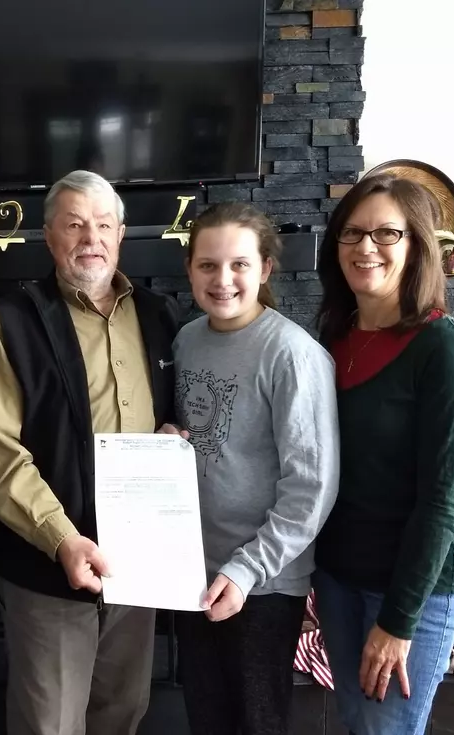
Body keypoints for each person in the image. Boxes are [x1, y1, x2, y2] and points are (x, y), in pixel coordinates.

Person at [0, 169, 181, 735]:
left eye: (103, 224)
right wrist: (62, 539)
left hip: (140, 567)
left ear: (121, 234)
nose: (91, 237)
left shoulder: (162, 316)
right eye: (74, 225)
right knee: (50, 723)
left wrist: (173, 442)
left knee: (123, 712)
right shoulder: (12, 321)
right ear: (49, 237)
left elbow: (179, 418)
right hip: (48, 566)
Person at [312, 173, 454, 735]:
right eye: (352, 233)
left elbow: (443, 500)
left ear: (417, 246)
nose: (365, 247)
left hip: (413, 587)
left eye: (387, 233)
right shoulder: (331, 335)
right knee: (358, 722)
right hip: (337, 575)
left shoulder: (443, 346)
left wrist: (398, 621)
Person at [171, 202, 340, 735]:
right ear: (190, 269)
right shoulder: (186, 340)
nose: (223, 280)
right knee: (206, 718)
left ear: (265, 269)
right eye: (208, 265)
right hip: (193, 573)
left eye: (239, 264)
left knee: (257, 723)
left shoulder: (292, 355)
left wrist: (246, 571)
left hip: (262, 584)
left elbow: (311, 488)